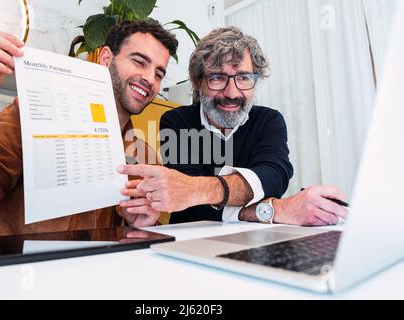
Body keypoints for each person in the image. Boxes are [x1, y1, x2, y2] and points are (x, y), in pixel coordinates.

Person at [0, 20, 178, 235]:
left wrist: (144, 227)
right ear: (106, 58)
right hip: (22, 270)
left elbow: (144, 241)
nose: (150, 78)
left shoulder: (145, 158)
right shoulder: (31, 116)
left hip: (103, 272)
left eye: (159, 73)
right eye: (139, 61)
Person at [118, 27, 348, 226]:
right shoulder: (176, 121)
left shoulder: (268, 120)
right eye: (217, 78)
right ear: (198, 83)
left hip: (258, 241)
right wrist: (279, 210)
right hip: (193, 244)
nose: (232, 93)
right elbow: (191, 208)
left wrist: (196, 190)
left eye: (244, 78)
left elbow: (274, 177)